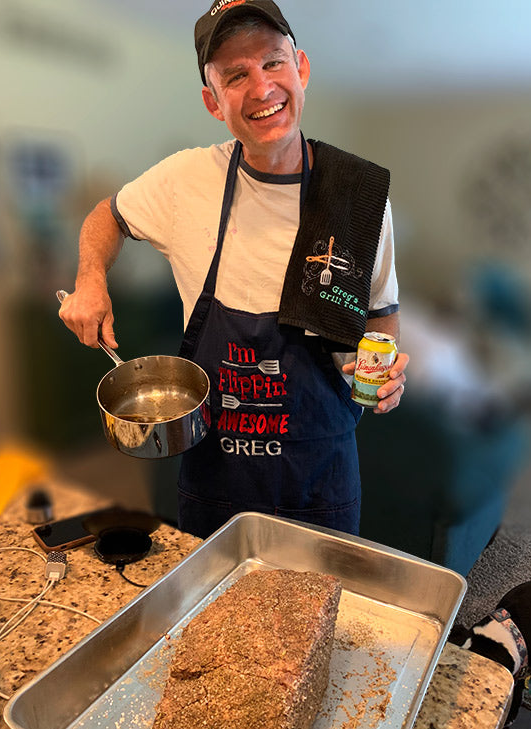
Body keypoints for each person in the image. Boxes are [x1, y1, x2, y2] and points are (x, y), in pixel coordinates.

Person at [59, 0, 409, 539]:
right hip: (216, 483)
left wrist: (381, 377)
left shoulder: (359, 195)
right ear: (212, 100)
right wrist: (90, 279)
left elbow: (380, 316)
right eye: (236, 75)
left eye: (273, 63)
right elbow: (106, 215)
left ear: (302, 69)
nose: (262, 87)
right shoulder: (185, 181)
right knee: (213, 620)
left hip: (321, 484)